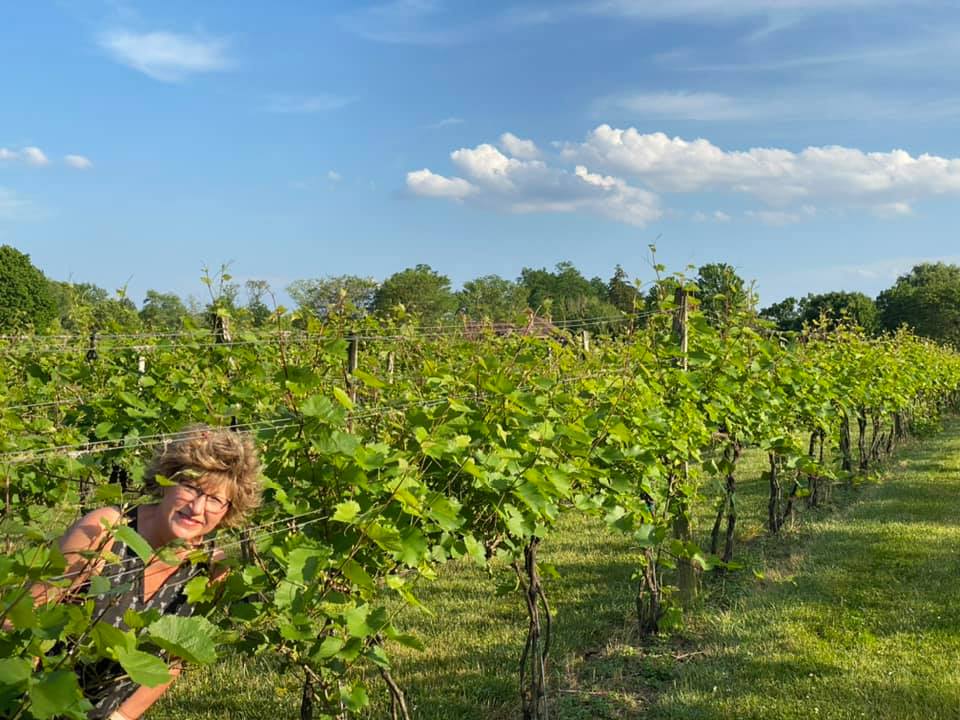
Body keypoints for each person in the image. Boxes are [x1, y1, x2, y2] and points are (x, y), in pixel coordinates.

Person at [45, 424, 262, 720]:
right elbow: (23, 620)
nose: (197, 508)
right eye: (191, 487)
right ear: (166, 480)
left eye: (214, 499)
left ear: (228, 509)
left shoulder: (212, 568)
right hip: (37, 698)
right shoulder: (106, 532)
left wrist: (120, 717)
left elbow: (174, 660)